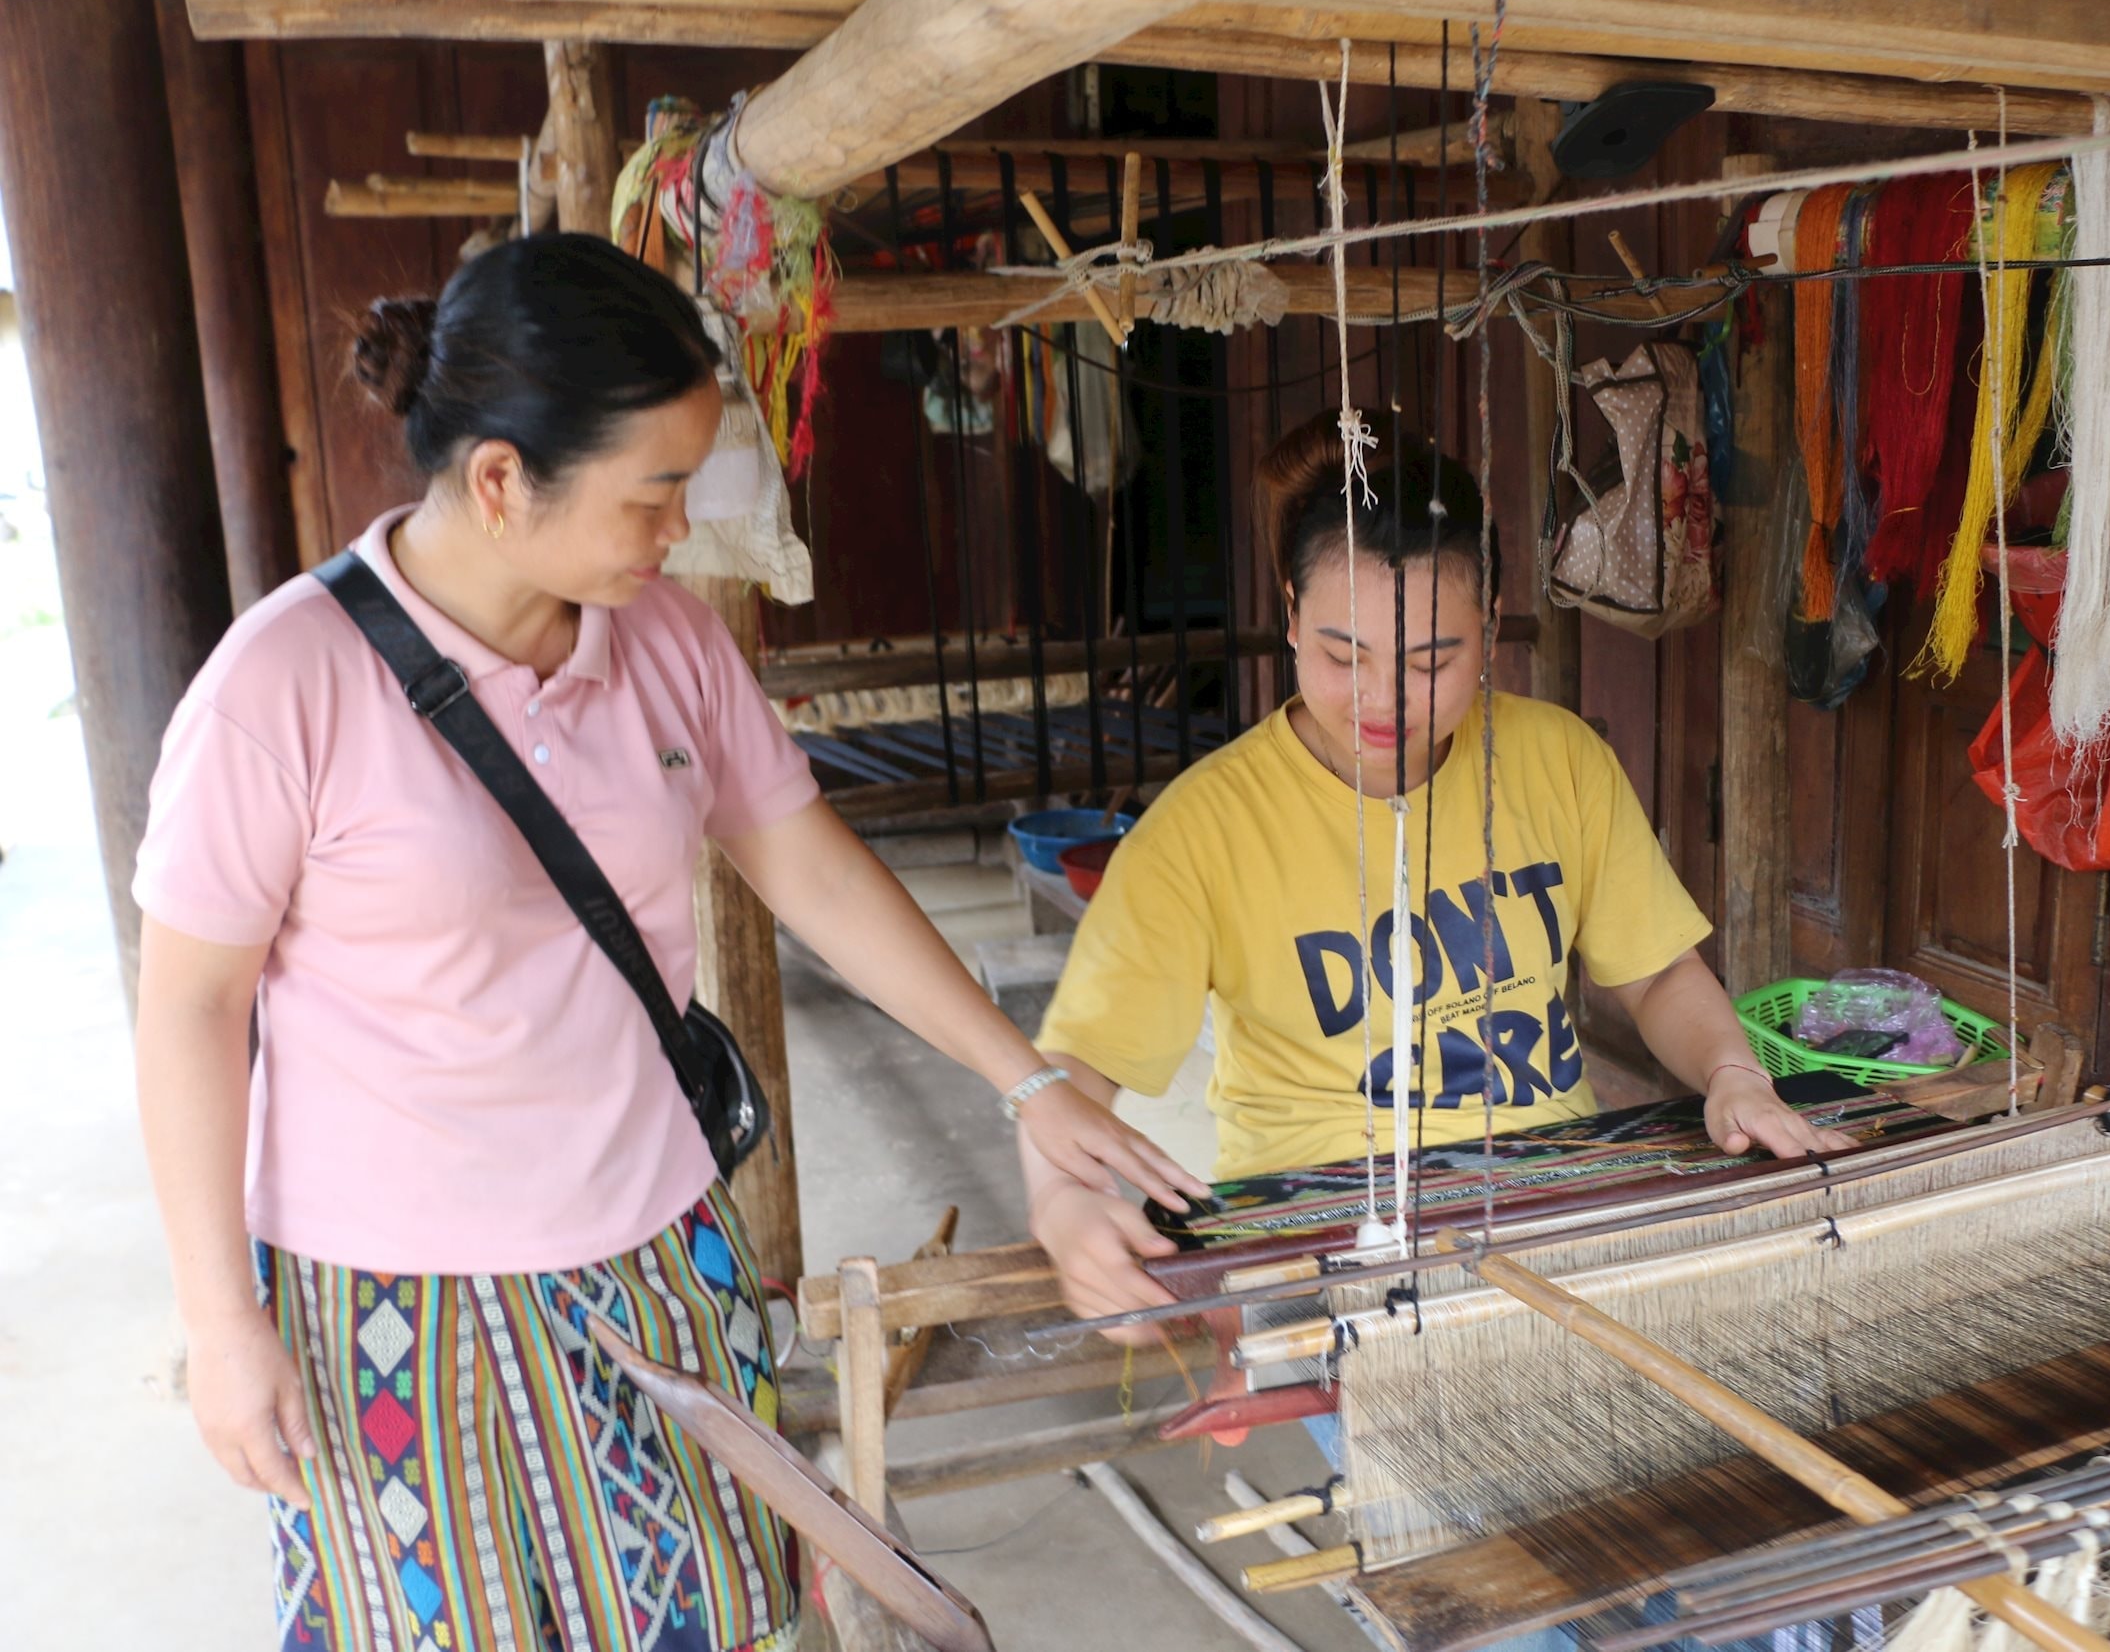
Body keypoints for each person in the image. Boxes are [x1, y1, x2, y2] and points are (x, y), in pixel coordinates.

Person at [131, 232, 1198, 1652]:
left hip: (652, 1243)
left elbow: (809, 866)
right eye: (655, 492)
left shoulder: (667, 646)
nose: (678, 529)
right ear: (504, 479)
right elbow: (191, 1006)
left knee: (719, 1612)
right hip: (395, 1288)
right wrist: (221, 1316)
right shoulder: (284, 686)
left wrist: (1028, 1079)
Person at [1022, 409, 1852, 1335]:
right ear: (1291, 621)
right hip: (1328, 1240)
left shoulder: (1558, 761)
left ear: (1491, 628)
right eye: (1344, 656)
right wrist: (1064, 1205)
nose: (1381, 700)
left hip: (1555, 1204)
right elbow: (1074, 1073)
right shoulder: (1201, 832)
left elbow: (1655, 972)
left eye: (1430, 660)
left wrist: (1734, 1075)